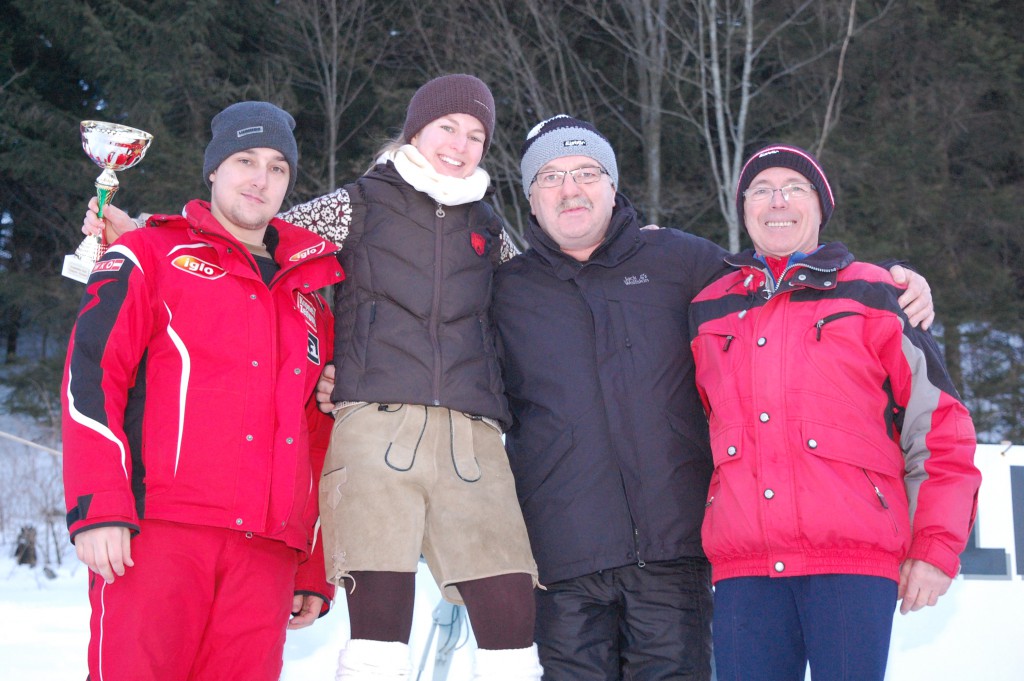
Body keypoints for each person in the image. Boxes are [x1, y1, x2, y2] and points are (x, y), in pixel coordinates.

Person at [89, 75, 542, 680]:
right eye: (447, 127)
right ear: (416, 130)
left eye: (476, 135)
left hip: (463, 435)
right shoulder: (360, 202)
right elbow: (262, 228)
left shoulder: (488, 225)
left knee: (508, 612)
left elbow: (536, 301)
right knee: (377, 628)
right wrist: (145, 229)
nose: (460, 145)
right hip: (369, 436)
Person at [489, 115, 936, 680]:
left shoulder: (680, 261)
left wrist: (899, 279)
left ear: (613, 185)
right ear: (530, 197)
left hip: (675, 556)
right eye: (550, 177)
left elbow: (784, 272)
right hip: (561, 559)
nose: (570, 189)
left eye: (586, 172)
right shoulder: (503, 290)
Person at [63, 101, 342, 681]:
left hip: (266, 553)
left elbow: (320, 437)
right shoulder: (150, 254)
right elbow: (92, 375)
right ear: (214, 168)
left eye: (277, 167)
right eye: (245, 160)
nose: (260, 178)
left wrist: (313, 561)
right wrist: (99, 504)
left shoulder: (309, 299)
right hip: (158, 534)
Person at [687, 144, 982, 680]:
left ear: (821, 208)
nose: (778, 201)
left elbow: (940, 428)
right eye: (761, 190)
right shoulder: (708, 307)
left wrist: (935, 547)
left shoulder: (875, 294)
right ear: (743, 208)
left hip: (851, 563)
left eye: (794, 189)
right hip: (745, 568)